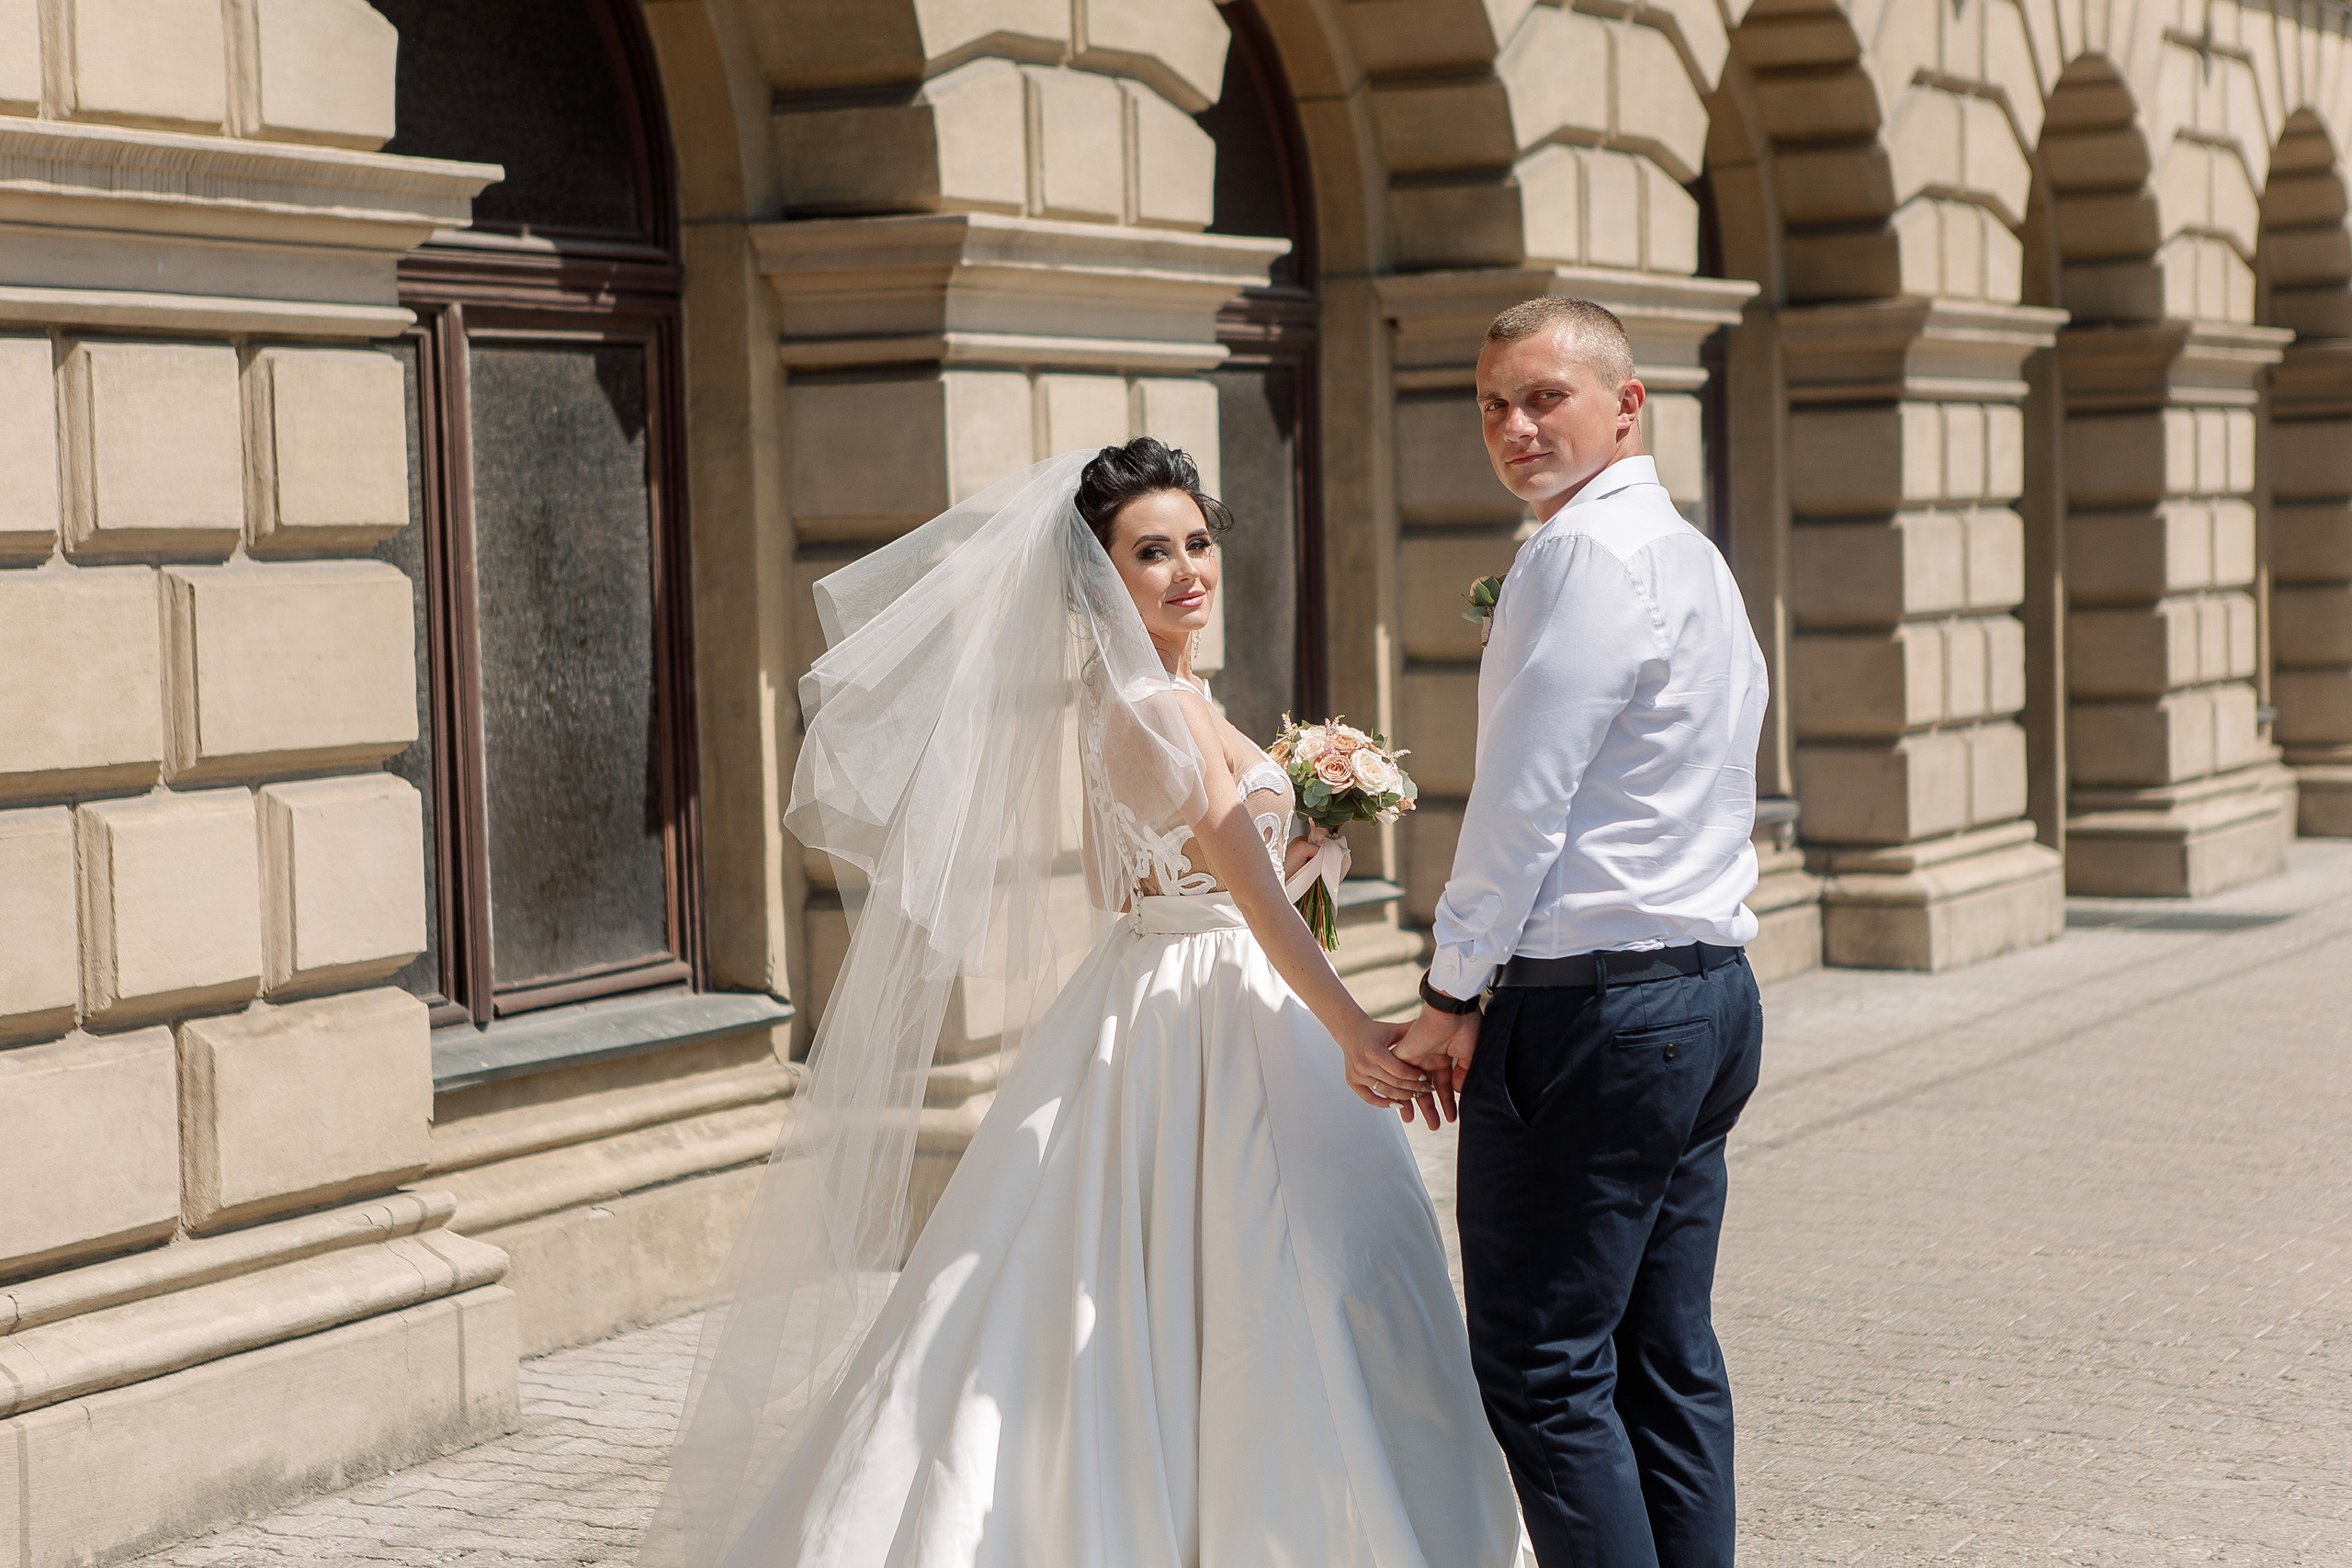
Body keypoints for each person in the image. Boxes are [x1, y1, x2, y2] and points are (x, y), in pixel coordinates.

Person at [643, 439, 1519, 1568]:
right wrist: (1350, 1024)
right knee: (1279, 1265)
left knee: (1212, 1264)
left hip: (1168, 984)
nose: (1184, 569)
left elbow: (1132, 885)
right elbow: (1242, 897)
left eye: (1196, 542)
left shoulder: (1154, 696)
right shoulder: (1156, 708)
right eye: (1149, 552)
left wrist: (1306, 846)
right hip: (1212, 1007)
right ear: (1102, 575)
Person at [1394, 297, 1769, 1568]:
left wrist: (1451, 989)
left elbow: (1522, 798)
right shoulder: (1695, 557)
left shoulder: (1583, 556)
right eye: (1493, 401)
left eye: (1544, 396)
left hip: (1598, 1010)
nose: (1513, 425)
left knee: (1547, 1368)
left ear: (1627, 402)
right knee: (1662, 1352)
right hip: (1708, 993)